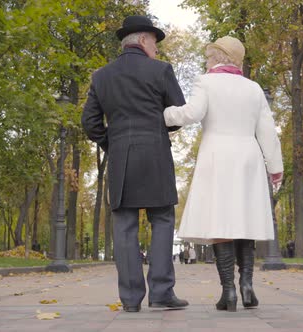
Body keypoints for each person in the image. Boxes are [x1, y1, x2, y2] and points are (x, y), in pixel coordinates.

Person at [164, 36, 283, 312]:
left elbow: (192, 113)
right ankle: (247, 286)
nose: (206, 61)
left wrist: (165, 114)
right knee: (245, 221)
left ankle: (228, 290)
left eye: (208, 56)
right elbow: (267, 130)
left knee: (221, 223)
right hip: (248, 157)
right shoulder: (254, 89)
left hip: (217, 156)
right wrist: (275, 167)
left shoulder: (205, 82)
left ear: (218, 57)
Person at [82, 15, 189, 313]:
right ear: (142, 40)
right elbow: (177, 113)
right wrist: (157, 131)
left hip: (121, 159)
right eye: (154, 42)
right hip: (155, 154)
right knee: (163, 220)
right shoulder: (161, 70)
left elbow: (90, 123)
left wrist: (112, 144)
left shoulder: (101, 76)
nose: (156, 49)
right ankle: (162, 294)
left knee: (126, 226)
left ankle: (130, 300)